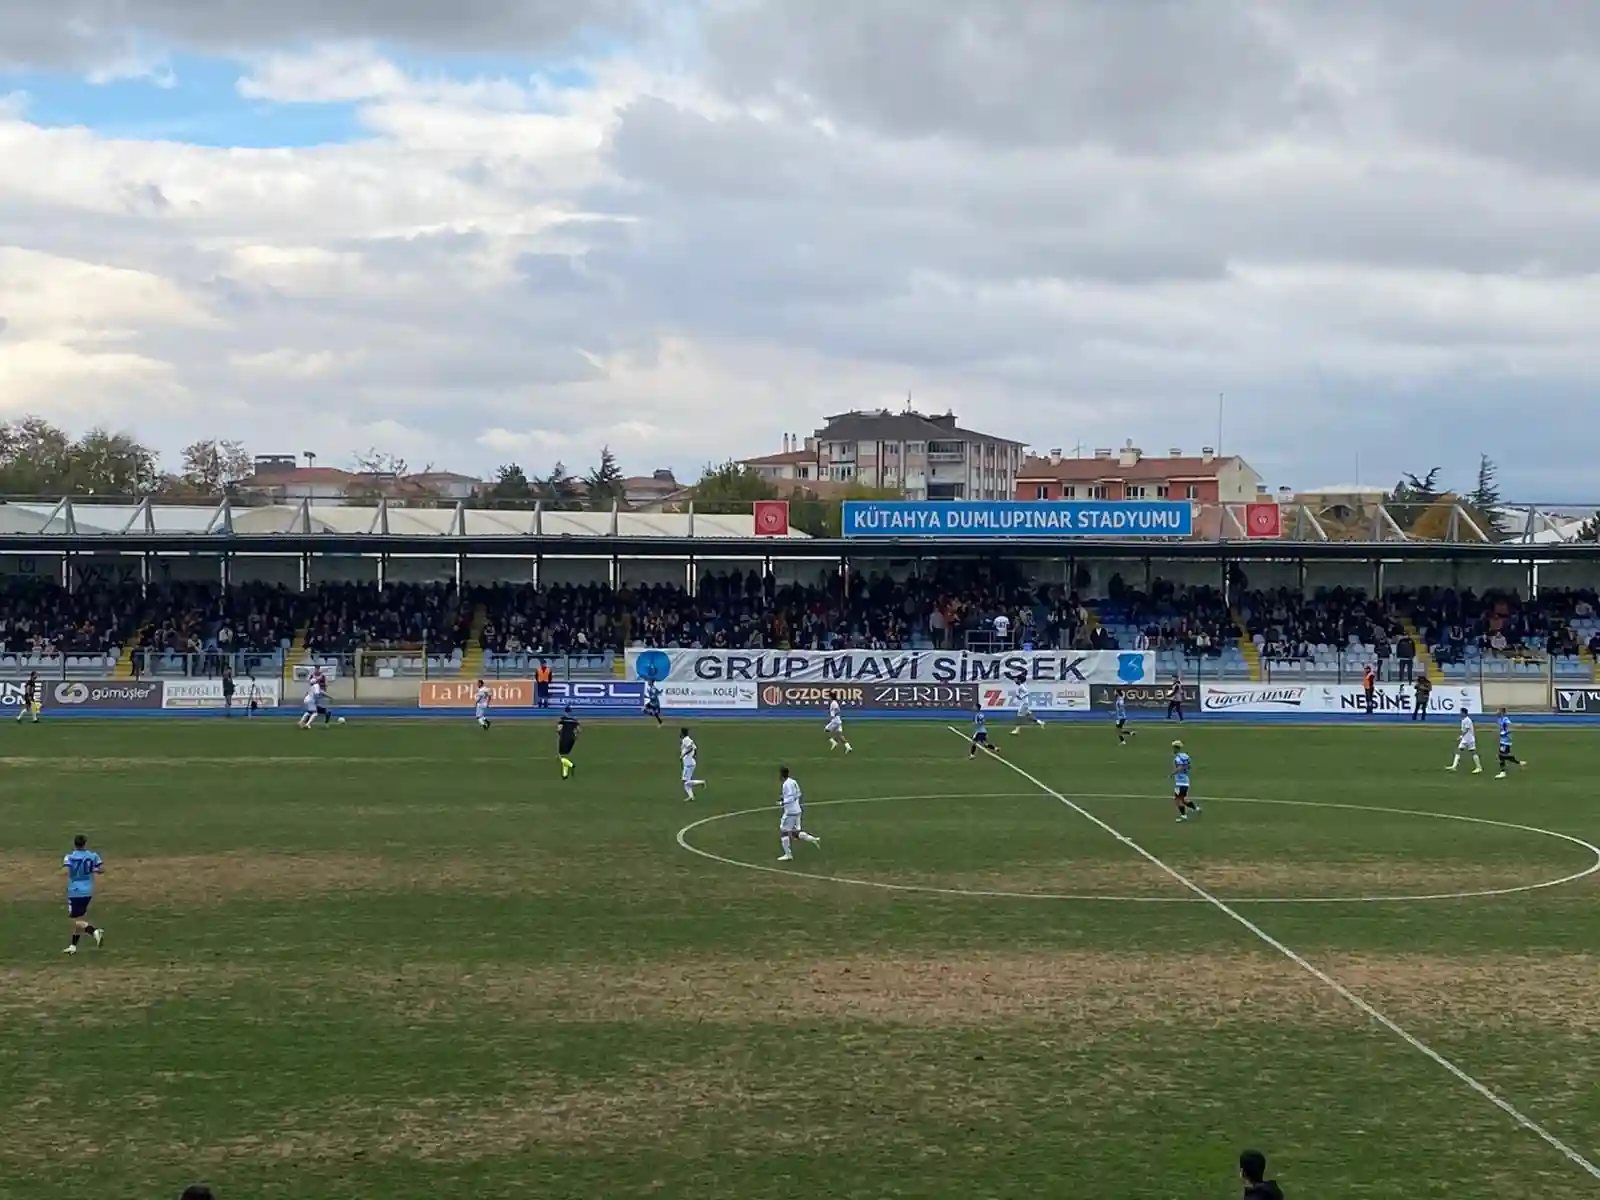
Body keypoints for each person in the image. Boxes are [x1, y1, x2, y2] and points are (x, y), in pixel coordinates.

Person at [61, 833, 105, 955]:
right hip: (88, 891)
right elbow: (101, 870)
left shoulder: (70, 857)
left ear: (74, 844)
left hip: (75, 891)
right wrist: (92, 869)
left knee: (76, 920)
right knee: (81, 919)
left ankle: (94, 931)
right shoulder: (93, 856)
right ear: (85, 843)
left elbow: (65, 870)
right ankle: (73, 946)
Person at [776, 765, 820, 862]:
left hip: (790, 811)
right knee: (794, 833)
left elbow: (790, 798)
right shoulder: (793, 782)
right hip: (797, 810)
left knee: (784, 831)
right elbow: (798, 794)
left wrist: (782, 802)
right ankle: (812, 839)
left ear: (782, 775)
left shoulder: (786, 784)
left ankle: (788, 855)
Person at [1172, 741, 1200, 822]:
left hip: (1180, 782)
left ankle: (1183, 815)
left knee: (1177, 800)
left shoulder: (1177, 758)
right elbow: (1189, 766)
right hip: (1186, 780)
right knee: (1183, 799)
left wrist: (1173, 773)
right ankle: (1196, 808)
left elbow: (1180, 767)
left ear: (1176, 748)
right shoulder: (1185, 756)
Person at [1495, 708, 1525, 779]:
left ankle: (1503, 772)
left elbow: (1510, 727)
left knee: (1501, 755)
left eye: (1498, 711)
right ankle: (1519, 763)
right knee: (1502, 756)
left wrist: (1504, 733)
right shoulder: (1499, 720)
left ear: (1502, 712)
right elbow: (1501, 728)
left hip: (1506, 741)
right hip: (1502, 740)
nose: (1496, 712)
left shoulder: (1505, 719)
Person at [679, 726, 704, 801]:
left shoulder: (686, 740)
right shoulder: (688, 739)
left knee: (686, 782)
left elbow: (691, 748)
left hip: (688, 764)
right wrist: (693, 756)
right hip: (689, 763)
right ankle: (691, 797)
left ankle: (701, 782)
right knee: (685, 781)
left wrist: (684, 755)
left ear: (683, 733)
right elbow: (695, 748)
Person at [557, 706, 580, 779]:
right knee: (566, 755)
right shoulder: (574, 720)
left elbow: (559, 729)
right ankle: (565, 774)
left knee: (561, 756)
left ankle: (571, 765)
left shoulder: (563, 719)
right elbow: (579, 730)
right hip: (572, 739)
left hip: (564, 738)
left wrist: (560, 734)